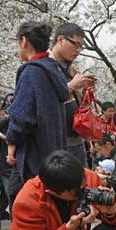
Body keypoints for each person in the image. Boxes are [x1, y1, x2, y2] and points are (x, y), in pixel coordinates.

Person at [7, 22, 69, 182]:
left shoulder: (31, 72)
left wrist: (11, 144)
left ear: (24, 41)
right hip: (54, 155)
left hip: (34, 156)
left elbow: (21, 117)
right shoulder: (55, 71)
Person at [50, 22, 96, 167]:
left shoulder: (72, 69)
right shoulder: (43, 67)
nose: (78, 50)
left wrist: (86, 94)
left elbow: (76, 104)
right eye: (75, 44)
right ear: (60, 40)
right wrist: (71, 86)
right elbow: (43, 98)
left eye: (81, 46)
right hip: (55, 141)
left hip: (76, 139)